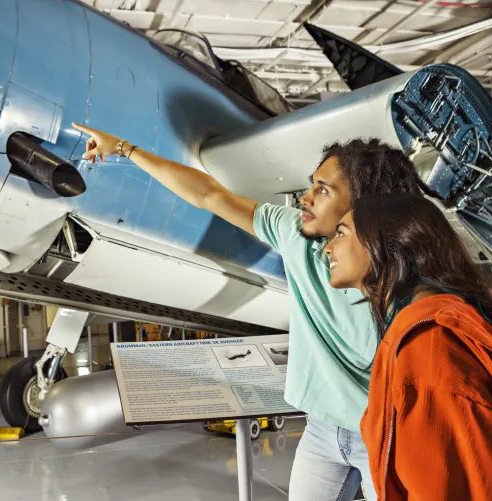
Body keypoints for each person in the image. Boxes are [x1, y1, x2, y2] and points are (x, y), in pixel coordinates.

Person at [71, 122, 436, 501]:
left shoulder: (410, 287)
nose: (305, 198)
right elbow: (209, 195)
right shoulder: (297, 237)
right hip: (321, 430)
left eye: (322, 190)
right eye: (311, 184)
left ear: (364, 205)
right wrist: (125, 148)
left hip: (383, 434)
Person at [323, 194, 492, 500]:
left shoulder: (428, 349)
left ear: (387, 242)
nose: (328, 246)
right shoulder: (421, 332)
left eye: (342, 232)